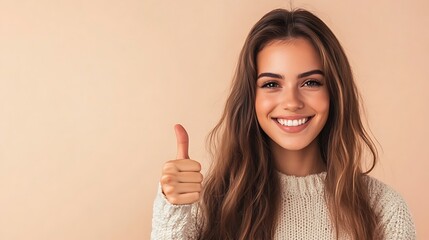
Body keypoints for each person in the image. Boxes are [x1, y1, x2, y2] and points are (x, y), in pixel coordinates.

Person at [151, 8, 416, 240]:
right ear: (250, 99)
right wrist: (173, 211)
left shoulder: (383, 209)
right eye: (271, 84)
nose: (291, 102)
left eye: (310, 82)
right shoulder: (208, 204)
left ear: (335, 92)